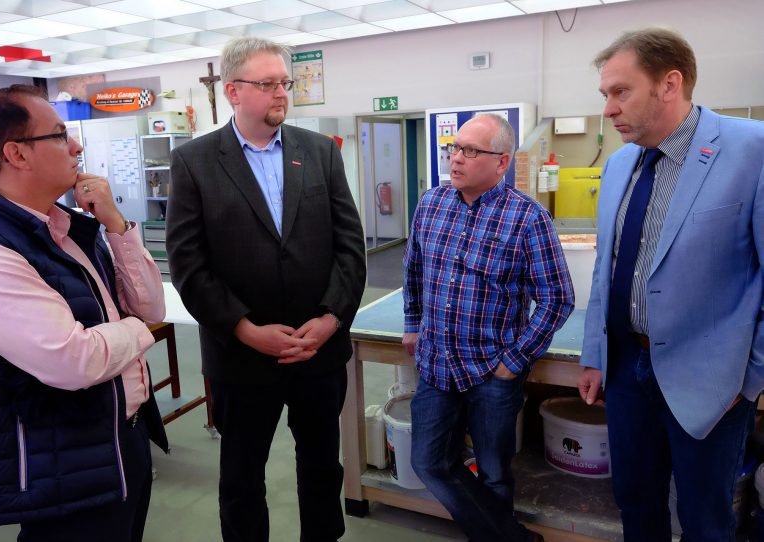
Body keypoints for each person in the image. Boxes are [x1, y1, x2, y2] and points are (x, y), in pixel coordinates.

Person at [165, 37, 366, 542]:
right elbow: (188, 264)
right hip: (241, 357)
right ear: (233, 91)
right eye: (268, 83)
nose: (282, 93)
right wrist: (246, 330)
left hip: (317, 351)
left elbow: (350, 246)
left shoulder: (319, 152)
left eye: (285, 83)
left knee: (322, 467)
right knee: (240, 476)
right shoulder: (195, 162)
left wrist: (331, 318)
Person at [0, 85, 168, 541]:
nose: (76, 146)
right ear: (17, 154)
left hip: (120, 437)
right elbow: (76, 360)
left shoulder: (67, 228)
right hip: (61, 466)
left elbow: (151, 303)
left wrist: (115, 223)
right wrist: (134, 328)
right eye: (59, 135)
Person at [577, 28, 764, 540]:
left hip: (712, 379)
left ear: (669, 83)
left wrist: (749, 381)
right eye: (605, 95)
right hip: (625, 372)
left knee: (705, 518)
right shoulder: (618, 166)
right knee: (636, 504)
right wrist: (596, 354)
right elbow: (606, 268)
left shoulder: (752, 149)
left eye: (621, 91)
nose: (609, 109)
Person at [403, 113, 574, 542]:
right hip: (436, 363)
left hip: (492, 371)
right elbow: (414, 271)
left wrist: (513, 361)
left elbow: (557, 297)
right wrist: (412, 324)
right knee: (428, 461)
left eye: (470, 151)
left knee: (495, 471)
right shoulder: (431, 203)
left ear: (502, 162)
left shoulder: (527, 218)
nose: (456, 158)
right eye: (454, 147)